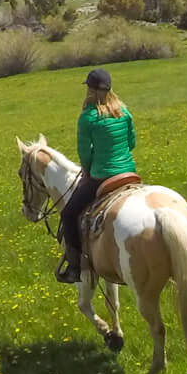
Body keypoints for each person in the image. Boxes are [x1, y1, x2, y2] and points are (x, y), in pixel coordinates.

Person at [57, 68, 136, 283]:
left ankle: (75, 268)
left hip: (102, 176)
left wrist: (90, 170)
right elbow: (132, 143)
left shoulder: (87, 118)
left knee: (68, 214)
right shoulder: (124, 112)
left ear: (90, 90)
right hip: (129, 173)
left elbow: (84, 155)